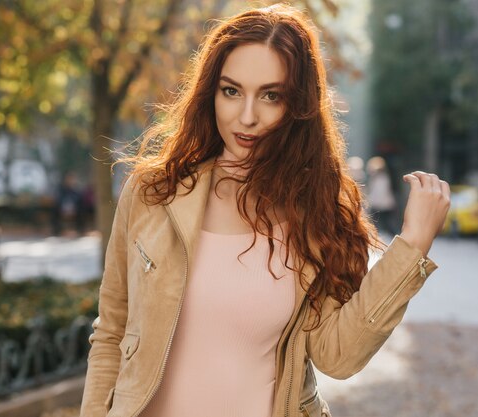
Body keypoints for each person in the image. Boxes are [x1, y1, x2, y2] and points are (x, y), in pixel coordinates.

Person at [80, 4, 450, 417]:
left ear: (298, 107)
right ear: (210, 93)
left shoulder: (315, 213)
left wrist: (413, 245)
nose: (247, 116)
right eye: (231, 91)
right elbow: (112, 332)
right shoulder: (153, 193)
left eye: (271, 95)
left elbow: (338, 357)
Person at [366, 156, 398, 236]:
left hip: (382, 205)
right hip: (381, 205)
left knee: (385, 224)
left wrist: (371, 202)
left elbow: (380, 193)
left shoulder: (381, 178)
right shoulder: (379, 177)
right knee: (381, 224)